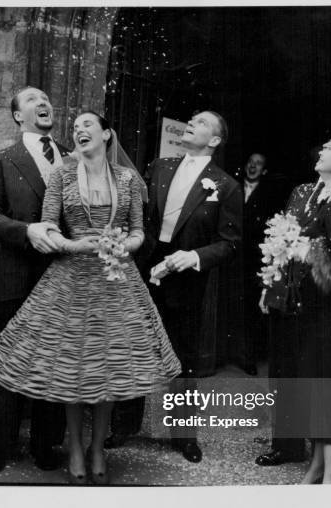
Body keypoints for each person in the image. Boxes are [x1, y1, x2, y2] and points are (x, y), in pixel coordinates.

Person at [0, 111, 181, 485]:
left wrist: (124, 245)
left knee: (109, 367)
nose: (78, 130)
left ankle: (97, 447)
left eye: (88, 125)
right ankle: (75, 447)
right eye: (75, 128)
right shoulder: (61, 175)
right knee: (71, 368)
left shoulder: (126, 178)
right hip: (70, 279)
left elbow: (139, 231)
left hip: (116, 280)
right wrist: (73, 245)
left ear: (107, 133)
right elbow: (49, 225)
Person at [106, 110, 243, 463]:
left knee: (183, 354)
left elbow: (230, 241)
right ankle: (124, 426)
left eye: (200, 123)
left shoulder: (226, 185)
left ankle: (183, 436)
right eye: (191, 120)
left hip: (186, 274)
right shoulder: (159, 167)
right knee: (134, 345)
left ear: (214, 140)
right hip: (146, 263)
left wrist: (195, 256)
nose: (190, 124)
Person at [256, 125, 331, 483]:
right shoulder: (316, 195)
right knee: (314, 384)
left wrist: (306, 250)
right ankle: (317, 467)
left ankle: (328, 476)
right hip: (310, 309)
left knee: (329, 388)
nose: (323, 147)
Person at [0, 86, 70, 472]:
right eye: (32, 100)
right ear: (18, 116)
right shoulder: (0, 158)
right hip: (19, 275)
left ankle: (46, 447)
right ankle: (0, 446)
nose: (43, 102)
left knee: (56, 363)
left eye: (46, 99)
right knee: (14, 362)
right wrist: (26, 231)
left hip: (65, 278)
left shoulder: (73, 155)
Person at [240, 152, 292, 374]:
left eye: (258, 164)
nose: (253, 166)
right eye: (250, 162)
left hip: (254, 258)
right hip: (232, 256)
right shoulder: (231, 187)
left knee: (253, 309)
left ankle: (248, 357)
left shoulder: (269, 195)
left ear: (264, 170)